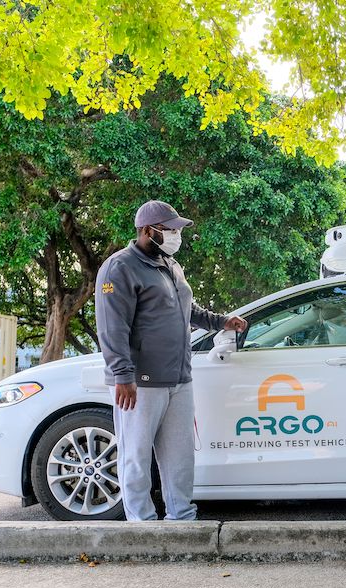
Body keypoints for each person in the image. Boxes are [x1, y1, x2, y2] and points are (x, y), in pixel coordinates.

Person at [95, 200, 247, 521]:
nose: (177, 235)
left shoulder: (170, 266)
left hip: (178, 377)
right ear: (149, 231)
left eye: (178, 229)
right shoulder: (119, 267)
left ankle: (181, 520)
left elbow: (186, 310)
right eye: (171, 229)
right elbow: (112, 326)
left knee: (179, 458)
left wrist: (221, 322)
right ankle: (142, 525)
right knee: (135, 456)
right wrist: (123, 375)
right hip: (139, 381)